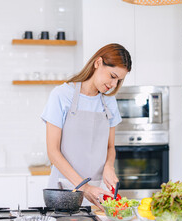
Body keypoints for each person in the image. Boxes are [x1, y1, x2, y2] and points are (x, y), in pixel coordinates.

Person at [41, 43, 131, 209]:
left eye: (119, 80)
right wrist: (84, 187)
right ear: (98, 63)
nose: (113, 84)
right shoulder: (61, 95)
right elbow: (53, 152)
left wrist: (109, 166)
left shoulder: (109, 101)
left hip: (98, 192)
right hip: (64, 189)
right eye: (112, 76)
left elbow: (110, 147)